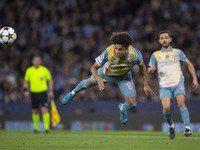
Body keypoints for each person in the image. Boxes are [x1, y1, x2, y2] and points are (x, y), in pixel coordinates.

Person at [62, 31, 154, 125]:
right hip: (106, 74)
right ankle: (73, 93)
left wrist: (145, 84)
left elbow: (142, 67)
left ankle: (122, 108)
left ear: (127, 49)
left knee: (132, 104)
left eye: (120, 49)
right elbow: (93, 67)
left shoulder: (135, 55)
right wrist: (98, 78)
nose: (117, 51)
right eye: (116, 48)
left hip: (124, 77)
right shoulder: (109, 51)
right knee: (88, 83)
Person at [148, 30, 198, 139]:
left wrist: (195, 78)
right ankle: (171, 126)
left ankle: (187, 128)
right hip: (164, 86)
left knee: (181, 103)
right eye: (162, 38)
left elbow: (189, 64)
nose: (164, 39)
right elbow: (150, 70)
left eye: (166, 37)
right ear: (159, 41)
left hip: (177, 83)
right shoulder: (155, 55)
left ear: (170, 39)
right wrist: (151, 70)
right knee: (166, 108)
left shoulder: (177, 52)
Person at [24, 55, 54, 133]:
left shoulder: (44, 70)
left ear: (40, 62)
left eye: (38, 60)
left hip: (43, 92)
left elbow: (50, 80)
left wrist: (51, 91)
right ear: (32, 61)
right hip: (33, 92)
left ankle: (46, 128)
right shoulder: (29, 70)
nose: (37, 62)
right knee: (35, 110)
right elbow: (26, 81)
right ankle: (36, 128)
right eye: (35, 60)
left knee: (44, 109)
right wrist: (25, 90)